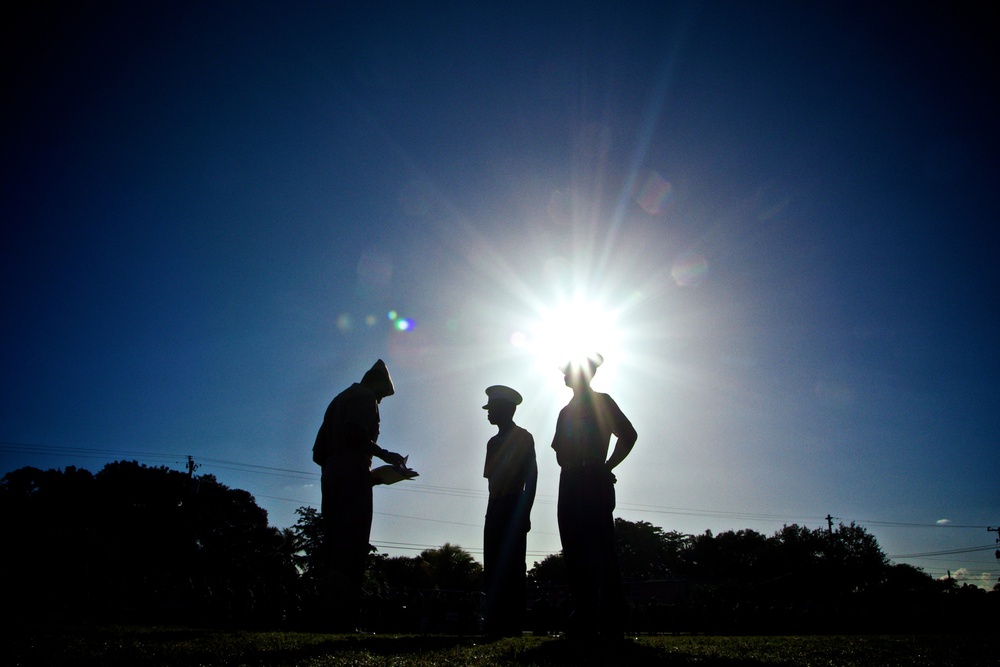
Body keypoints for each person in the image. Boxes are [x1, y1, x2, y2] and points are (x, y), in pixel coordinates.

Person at [312, 358, 407, 632]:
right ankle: (342, 619)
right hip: (352, 469)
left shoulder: (338, 399)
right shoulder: (365, 397)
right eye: (382, 395)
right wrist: (382, 455)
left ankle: (328, 616)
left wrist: (342, 469)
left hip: (330, 472)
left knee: (333, 543)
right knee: (352, 545)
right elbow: (354, 433)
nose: (380, 401)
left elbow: (318, 453)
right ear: (377, 386)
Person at [551, 353, 637, 640]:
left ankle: (612, 620)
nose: (564, 375)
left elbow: (628, 435)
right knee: (574, 549)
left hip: (592, 479)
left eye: (569, 371)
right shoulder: (565, 411)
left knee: (600, 549)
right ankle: (585, 617)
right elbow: (558, 451)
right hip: (570, 480)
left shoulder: (603, 402)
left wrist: (606, 467)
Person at [481, 384, 537, 638]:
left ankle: (512, 624)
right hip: (495, 505)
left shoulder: (524, 437)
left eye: (492, 409)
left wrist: (525, 511)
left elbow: (532, 476)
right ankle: (493, 622)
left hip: (514, 503)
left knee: (514, 565)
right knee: (492, 563)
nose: (489, 413)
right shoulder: (492, 443)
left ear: (505, 409)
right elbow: (490, 479)